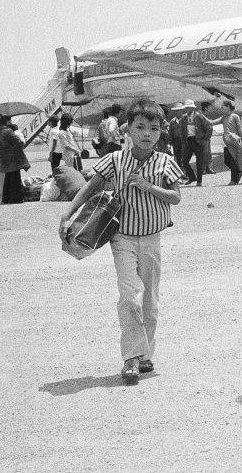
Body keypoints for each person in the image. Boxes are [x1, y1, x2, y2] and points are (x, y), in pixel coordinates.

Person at [58, 99, 184, 385]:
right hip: (122, 238)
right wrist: (67, 214)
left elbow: (176, 197)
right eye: (140, 127)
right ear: (128, 130)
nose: (146, 134)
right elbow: (89, 188)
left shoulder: (166, 162)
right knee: (130, 296)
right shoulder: (115, 160)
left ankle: (145, 354)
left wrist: (149, 187)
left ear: (161, 131)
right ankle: (130, 358)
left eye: (153, 128)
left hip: (152, 238)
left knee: (150, 300)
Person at [0, 116, 30, 203]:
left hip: (3, 157)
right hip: (12, 158)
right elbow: (18, 141)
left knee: (8, 179)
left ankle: (6, 198)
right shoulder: (7, 131)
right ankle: (15, 199)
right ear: (7, 121)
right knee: (15, 178)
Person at [220, 100, 242, 185]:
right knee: (227, 161)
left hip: (235, 141)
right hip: (227, 142)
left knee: (234, 161)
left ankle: (234, 180)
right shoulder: (223, 117)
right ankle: (238, 171)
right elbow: (213, 122)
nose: (221, 108)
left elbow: (240, 129)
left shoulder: (235, 116)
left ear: (228, 107)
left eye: (223, 106)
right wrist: (204, 117)